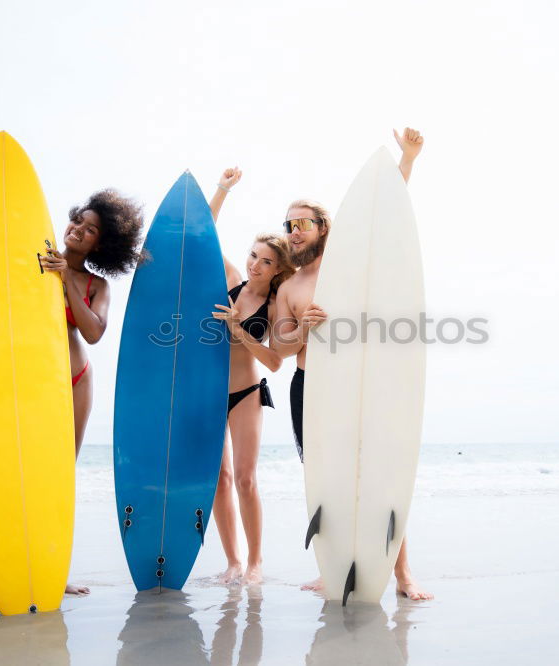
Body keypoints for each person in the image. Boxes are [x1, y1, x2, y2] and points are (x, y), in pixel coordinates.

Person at [0, 131, 146, 601]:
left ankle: (51, 570)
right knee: (8, 471)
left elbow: (93, 332)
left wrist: (66, 279)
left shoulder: (94, 284)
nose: (77, 232)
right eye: (78, 223)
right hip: (23, 380)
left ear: (103, 244)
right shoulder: (33, 254)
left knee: (55, 479)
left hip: (74, 381)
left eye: (89, 231)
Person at [270, 128, 434, 601]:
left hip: (366, 388)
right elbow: (280, 350)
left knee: (384, 476)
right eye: (288, 224)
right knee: (328, 481)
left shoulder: (359, 266)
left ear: (325, 227)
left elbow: (386, 217)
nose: (294, 230)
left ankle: (402, 575)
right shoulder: (289, 288)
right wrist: (304, 332)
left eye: (303, 223)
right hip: (312, 389)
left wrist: (407, 160)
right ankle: (333, 566)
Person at [208, 167, 296, 584]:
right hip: (208, 394)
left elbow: (276, 363)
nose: (255, 265)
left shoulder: (276, 306)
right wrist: (222, 189)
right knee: (219, 481)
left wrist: (239, 331)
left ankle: (256, 562)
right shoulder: (230, 282)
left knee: (244, 478)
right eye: (253, 256)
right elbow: (203, 231)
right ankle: (232, 562)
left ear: (278, 269)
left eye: (266, 261)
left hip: (246, 393)